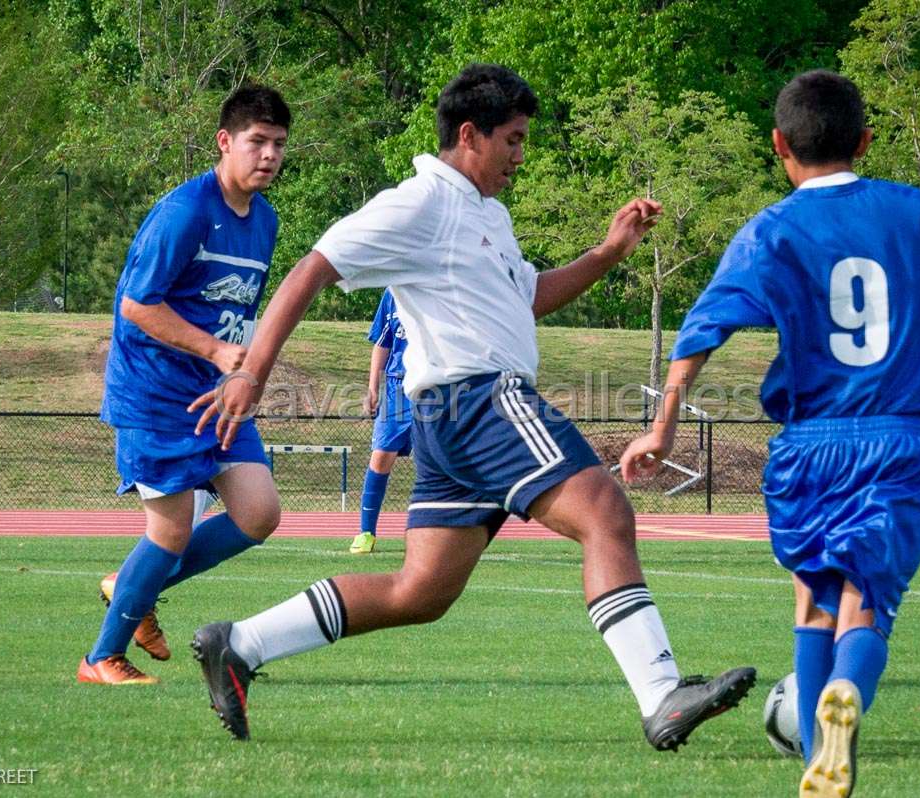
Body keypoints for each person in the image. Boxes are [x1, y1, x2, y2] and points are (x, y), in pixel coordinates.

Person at [188, 63, 756, 746]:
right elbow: (315, 266)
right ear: (469, 134)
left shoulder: (486, 212)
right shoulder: (422, 201)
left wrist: (608, 252)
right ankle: (663, 693)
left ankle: (239, 644)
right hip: (482, 400)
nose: (521, 155)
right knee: (604, 510)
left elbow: (530, 297)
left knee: (419, 592)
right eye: (513, 140)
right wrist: (251, 372)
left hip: (448, 419)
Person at [621, 70, 920, 797]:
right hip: (897, 439)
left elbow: (704, 327)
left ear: (778, 146)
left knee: (814, 601)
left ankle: (814, 753)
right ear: (865, 139)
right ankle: (845, 702)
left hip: (808, 445)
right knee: (868, 604)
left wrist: (664, 427)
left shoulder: (770, 229)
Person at [77, 85, 292, 685]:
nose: (269, 155)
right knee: (168, 531)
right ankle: (101, 659)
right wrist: (218, 350)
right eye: (257, 142)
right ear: (225, 142)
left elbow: (235, 311)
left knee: (259, 512)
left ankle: (131, 584)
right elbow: (136, 306)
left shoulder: (265, 221)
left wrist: (240, 369)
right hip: (155, 393)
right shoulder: (185, 212)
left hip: (217, 394)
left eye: (278, 144)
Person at [349, 289, 412, 555]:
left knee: (433, 463)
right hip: (396, 389)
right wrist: (373, 388)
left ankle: (439, 534)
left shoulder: (445, 284)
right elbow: (383, 342)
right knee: (380, 457)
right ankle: (366, 532)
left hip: (435, 389)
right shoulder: (393, 292)